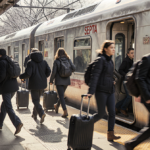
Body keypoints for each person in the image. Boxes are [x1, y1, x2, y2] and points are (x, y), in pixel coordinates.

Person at [87, 40, 121, 141]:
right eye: (111, 48)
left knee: (112, 112)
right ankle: (85, 125)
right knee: (101, 114)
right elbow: (95, 76)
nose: (113, 49)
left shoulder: (110, 61)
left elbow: (110, 75)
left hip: (110, 90)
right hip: (101, 91)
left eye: (114, 48)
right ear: (105, 49)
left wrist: (113, 81)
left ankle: (110, 134)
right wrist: (91, 91)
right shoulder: (100, 60)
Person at [125, 54, 150, 150]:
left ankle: (131, 144)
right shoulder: (147, 59)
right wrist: (147, 97)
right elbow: (139, 78)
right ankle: (131, 144)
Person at [20, 49, 51, 123]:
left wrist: (21, 76)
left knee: (35, 100)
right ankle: (34, 114)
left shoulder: (30, 62)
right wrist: (44, 77)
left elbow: (28, 73)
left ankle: (41, 113)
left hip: (34, 84)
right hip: (42, 84)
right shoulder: (44, 62)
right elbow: (49, 71)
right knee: (37, 100)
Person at [0, 49, 23, 135]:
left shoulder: (2, 62)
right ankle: (0, 124)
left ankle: (17, 123)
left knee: (8, 107)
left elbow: (1, 76)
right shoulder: (10, 60)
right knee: (4, 106)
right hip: (14, 87)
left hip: (6, 88)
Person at [50, 48, 75, 118]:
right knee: (61, 95)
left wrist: (51, 81)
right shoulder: (68, 60)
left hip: (59, 81)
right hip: (66, 81)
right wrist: (68, 72)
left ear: (57, 53)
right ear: (65, 53)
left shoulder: (56, 61)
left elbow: (54, 72)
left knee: (61, 96)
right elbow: (74, 68)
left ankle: (65, 111)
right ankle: (57, 106)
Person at [116, 48, 134, 117]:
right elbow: (120, 70)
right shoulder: (126, 61)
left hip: (129, 81)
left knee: (128, 96)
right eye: (131, 53)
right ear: (128, 54)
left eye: (133, 53)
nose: (133, 54)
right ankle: (122, 108)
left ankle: (117, 106)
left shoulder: (132, 61)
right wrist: (127, 75)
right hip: (126, 81)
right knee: (129, 96)